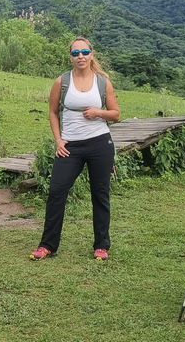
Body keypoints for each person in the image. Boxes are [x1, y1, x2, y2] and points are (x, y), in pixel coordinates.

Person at [30, 37, 120, 261]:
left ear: (91, 54)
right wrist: (58, 140)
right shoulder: (62, 81)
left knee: (100, 194)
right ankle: (47, 245)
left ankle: (101, 245)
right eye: (76, 53)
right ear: (70, 57)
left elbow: (115, 114)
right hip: (70, 146)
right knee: (56, 191)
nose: (81, 56)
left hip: (100, 143)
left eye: (85, 52)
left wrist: (98, 112)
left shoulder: (102, 82)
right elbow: (53, 112)